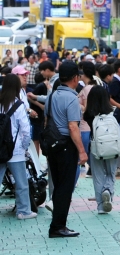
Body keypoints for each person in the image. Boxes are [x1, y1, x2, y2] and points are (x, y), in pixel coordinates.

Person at [45, 61, 89, 238]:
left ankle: (57, 224)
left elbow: (47, 121)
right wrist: (82, 151)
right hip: (66, 145)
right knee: (65, 187)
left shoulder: (52, 95)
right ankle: (58, 226)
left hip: (52, 145)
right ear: (75, 78)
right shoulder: (71, 98)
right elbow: (73, 127)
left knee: (58, 185)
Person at [0, 74, 33, 220]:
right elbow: (26, 130)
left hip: (0, 148)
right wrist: (24, 147)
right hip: (15, 149)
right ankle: (23, 211)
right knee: (21, 182)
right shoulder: (19, 105)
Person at [83, 86, 119, 214]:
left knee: (98, 176)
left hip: (96, 147)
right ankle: (108, 190)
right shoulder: (113, 112)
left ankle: (100, 207)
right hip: (112, 147)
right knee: (111, 173)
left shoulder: (89, 115)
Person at [28, 60, 55, 159]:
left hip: (41, 117)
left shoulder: (51, 83)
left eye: (42, 71)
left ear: (47, 70)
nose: (41, 73)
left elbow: (50, 97)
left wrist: (40, 105)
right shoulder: (47, 83)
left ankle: (37, 161)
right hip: (42, 116)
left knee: (37, 139)